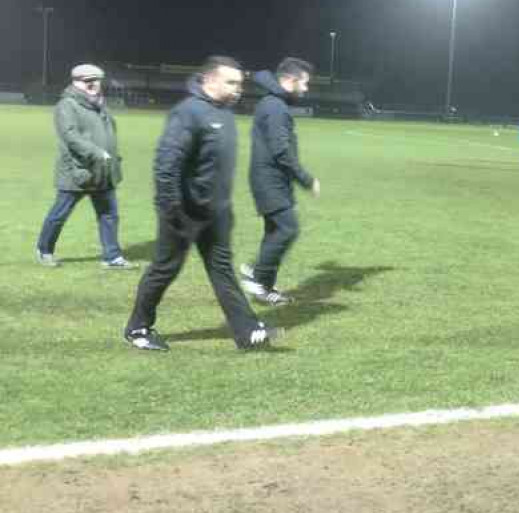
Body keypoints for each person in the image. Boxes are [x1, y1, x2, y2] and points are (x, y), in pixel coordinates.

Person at [124, 57, 281, 352]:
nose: (238, 89)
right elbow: (166, 164)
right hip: (183, 212)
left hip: (215, 213)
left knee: (222, 271)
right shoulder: (189, 113)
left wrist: (224, 208)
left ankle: (247, 332)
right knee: (165, 269)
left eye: (240, 83)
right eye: (231, 82)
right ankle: (137, 328)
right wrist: (171, 209)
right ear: (209, 81)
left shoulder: (225, 113)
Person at [36, 63, 138, 269]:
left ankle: (111, 257)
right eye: (87, 81)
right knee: (59, 214)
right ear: (75, 82)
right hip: (78, 171)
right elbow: (70, 137)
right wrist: (97, 152)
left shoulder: (99, 103)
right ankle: (44, 250)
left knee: (109, 215)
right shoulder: (67, 105)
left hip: (104, 171)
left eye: (96, 80)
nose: (93, 85)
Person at [240, 58, 320, 305]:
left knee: (274, 230)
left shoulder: (274, 103)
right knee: (288, 229)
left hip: (273, 179)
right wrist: (307, 180)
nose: (306, 89)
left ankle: (264, 287)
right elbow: (281, 151)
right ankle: (256, 274)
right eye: (304, 83)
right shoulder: (275, 107)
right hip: (269, 180)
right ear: (290, 80)